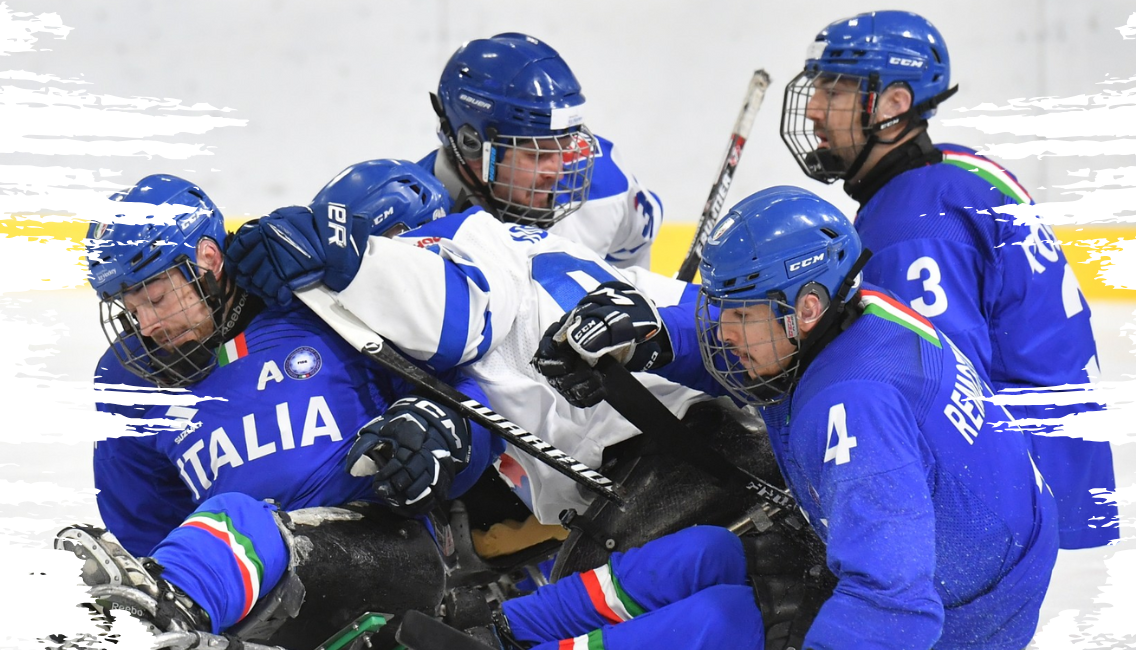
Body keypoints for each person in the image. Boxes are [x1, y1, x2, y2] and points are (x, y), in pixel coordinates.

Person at [531, 186, 1060, 648]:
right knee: (700, 555)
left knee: (723, 623)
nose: (724, 332)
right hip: (956, 557)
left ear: (807, 308)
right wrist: (655, 337)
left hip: (966, 624)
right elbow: (769, 355)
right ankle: (511, 628)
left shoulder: (855, 408)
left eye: (740, 313)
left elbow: (894, 606)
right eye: (721, 309)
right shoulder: (854, 312)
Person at [61, 167, 496, 646]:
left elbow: (466, 392)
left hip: (385, 551)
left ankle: (166, 617)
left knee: (237, 519)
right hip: (258, 602)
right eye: (130, 308)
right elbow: (145, 521)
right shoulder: (127, 378)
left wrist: (444, 432)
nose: (147, 326)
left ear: (207, 259)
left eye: (157, 299)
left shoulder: (315, 298)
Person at [777, 10, 1116, 550]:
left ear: (894, 104)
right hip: (1053, 464)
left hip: (1006, 500)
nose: (815, 108)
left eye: (834, 90)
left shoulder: (911, 225)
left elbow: (935, 389)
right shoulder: (952, 174)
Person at [224, 172, 707, 527]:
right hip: (686, 429)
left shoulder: (447, 248)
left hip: (656, 457)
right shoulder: (531, 247)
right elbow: (714, 319)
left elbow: (458, 324)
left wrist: (339, 255)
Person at [420, 32, 664, 269]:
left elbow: (634, 258)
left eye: (566, 148)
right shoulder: (414, 223)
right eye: (538, 155)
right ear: (471, 146)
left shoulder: (606, 185)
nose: (558, 173)